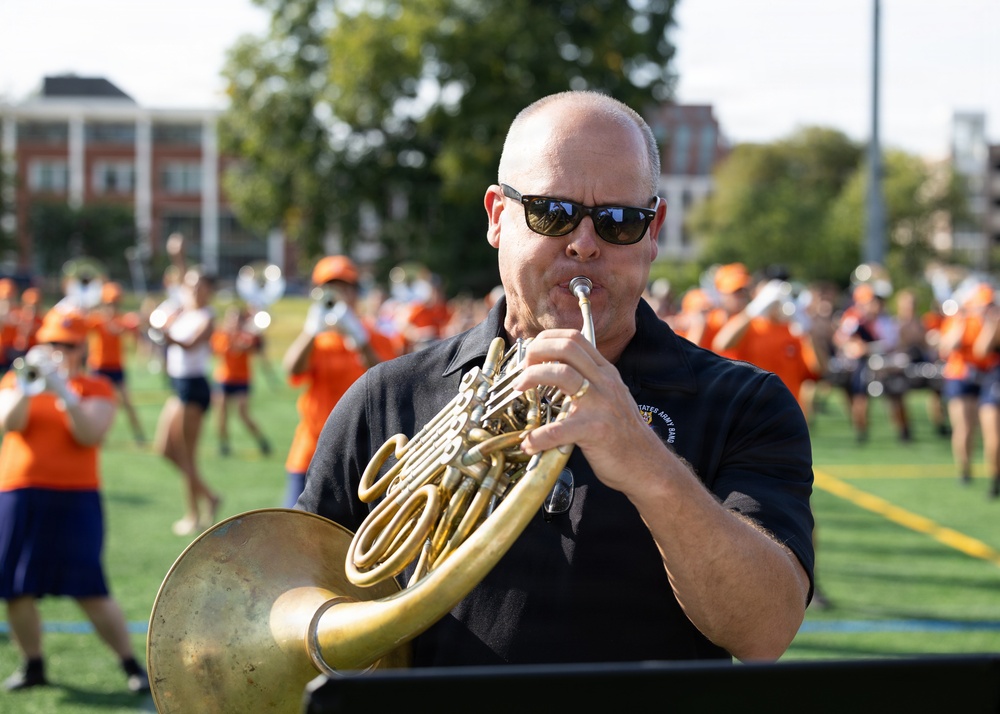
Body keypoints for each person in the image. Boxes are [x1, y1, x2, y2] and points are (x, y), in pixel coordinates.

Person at [298, 91, 814, 666]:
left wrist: (650, 466)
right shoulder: (386, 397)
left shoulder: (747, 403)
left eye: (619, 222)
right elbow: (303, 594)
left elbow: (765, 632)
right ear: (498, 217)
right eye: (551, 212)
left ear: (653, 231)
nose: (584, 245)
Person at [0, 308, 149, 693]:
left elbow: (88, 434)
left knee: (89, 587)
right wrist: (29, 388)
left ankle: (131, 664)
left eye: (67, 345)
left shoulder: (97, 387)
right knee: (15, 587)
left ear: (82, 348)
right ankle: (32, 664)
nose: (58, 351)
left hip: (75, 495)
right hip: (19, 492)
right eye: (51, 343)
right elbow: (9, 424)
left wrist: (64, 392)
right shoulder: (16, 381)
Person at [282, 256, 400, 508]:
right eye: (330, 288)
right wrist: (311, 331)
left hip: (362, 453)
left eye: (344, 288)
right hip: (311, 449)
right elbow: (292, 369)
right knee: (294, 527)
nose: (338, 295)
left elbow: (390, 381)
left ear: (355, 292)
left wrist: (360, 339)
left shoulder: (374, 336)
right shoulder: (316, 338)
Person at [152, 237, 221, 536]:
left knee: (186, 454)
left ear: (210, 290)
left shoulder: (207, 316)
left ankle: (193, 514)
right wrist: (178, 255)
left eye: (200, 285)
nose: (193, 288)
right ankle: (210, 496)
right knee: (164, 449)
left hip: (194, 388)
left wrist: (165, 334)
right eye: (191, 284)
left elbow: (191, 344)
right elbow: (181, 277)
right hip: (178, 386)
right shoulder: (184, 308)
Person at [938, 283, 1000, 491]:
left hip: (988, 376)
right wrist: (961, 323)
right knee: (964, 427)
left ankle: (993, 476)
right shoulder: (960, 319)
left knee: (991, 428)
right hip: (961, 375)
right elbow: (946, 348)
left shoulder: (994, 322)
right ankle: (964, 469)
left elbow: (983, 351)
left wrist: (991, 325)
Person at [85, 281, 146, 445]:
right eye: (110, 304)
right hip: (98, 366)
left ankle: (139, 434)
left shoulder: (121, 320)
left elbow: (134, 328)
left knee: (127, 403)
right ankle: (95, 433)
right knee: (95, 403)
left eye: (115, 304)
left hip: (116, 367)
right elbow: (83, 326)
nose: (112, 307)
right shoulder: (97, 320)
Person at [210, 304, 271, 457]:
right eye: (231, 319)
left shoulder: (247, 335)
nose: (233, 322)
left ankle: (261, 440)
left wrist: (250, 340)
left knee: (243, 413)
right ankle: (224, 443)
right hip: (224, 378)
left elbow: (255, 347)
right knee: (221, 413)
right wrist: (235, 341)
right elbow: (221, 350)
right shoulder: (221, 335)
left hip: (242, 379)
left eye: (236, 319)